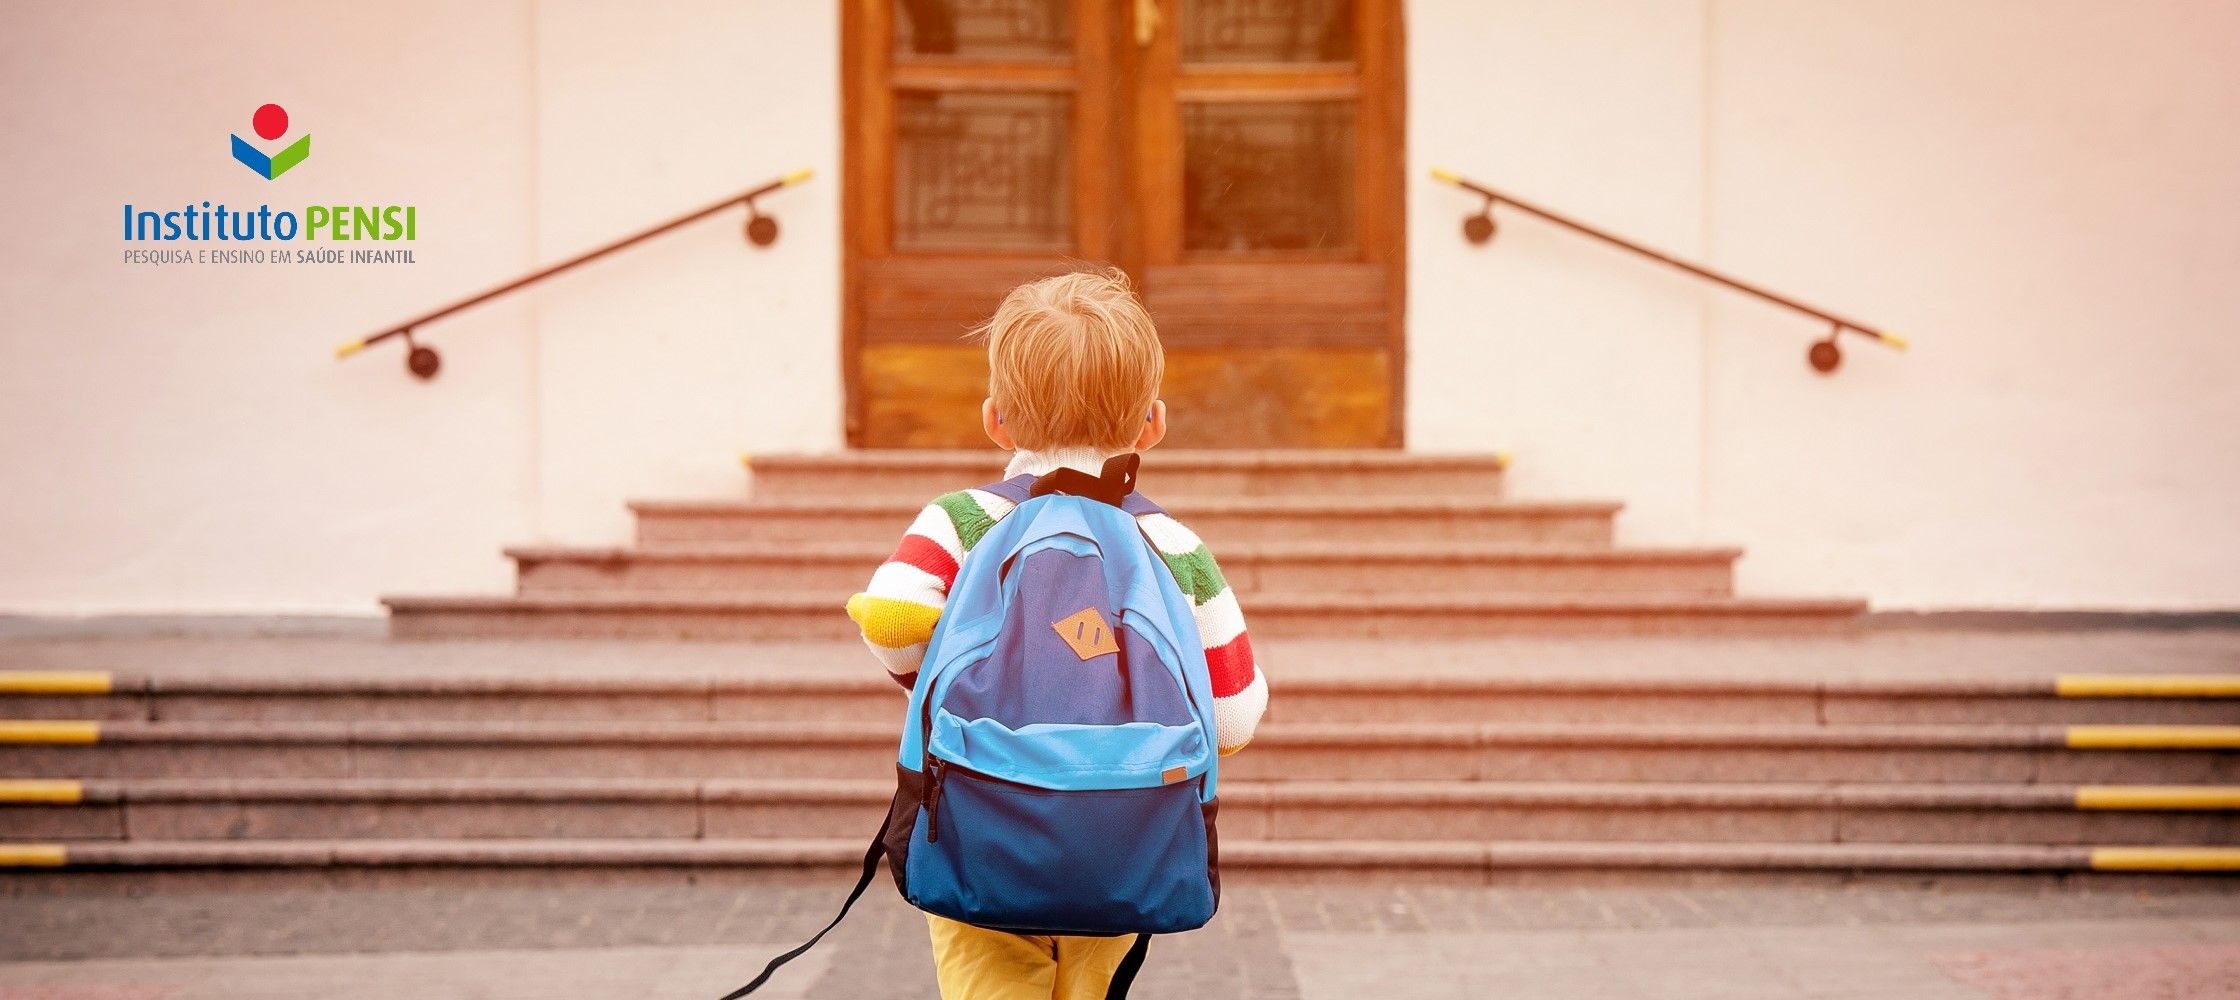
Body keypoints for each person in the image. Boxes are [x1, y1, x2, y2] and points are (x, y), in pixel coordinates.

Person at [845, 268, 1267, 1000]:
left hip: (978, 825)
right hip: (1123, 838)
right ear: (1152, 425)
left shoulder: (962, 519)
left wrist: (955, 682)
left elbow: (890, 616)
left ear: (995, 419)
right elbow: (1230, 719)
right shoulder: (1174, 546)